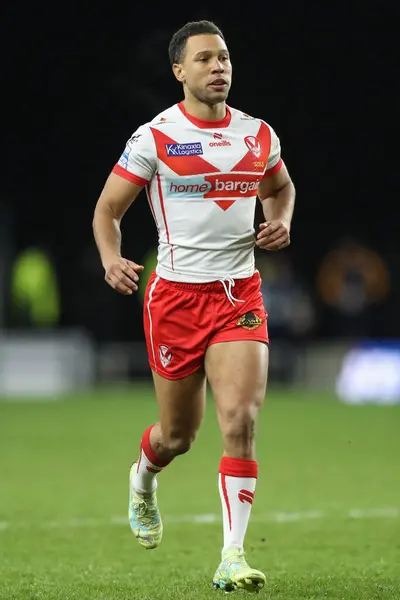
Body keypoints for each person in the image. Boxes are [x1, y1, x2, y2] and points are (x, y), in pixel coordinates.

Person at [93, 20, 296, 594]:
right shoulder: (154, 138)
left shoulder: (258, 135)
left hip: (239, 294)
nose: (219, 67)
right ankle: (143, 479)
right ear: (179, 71)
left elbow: (280, 188)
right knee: (178, 435)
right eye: (205, 58)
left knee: (241, 421)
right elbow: (107, 210)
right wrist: (112, 258)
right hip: (176, 297)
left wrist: (279, 220)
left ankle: (232, 555)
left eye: (225, 57)